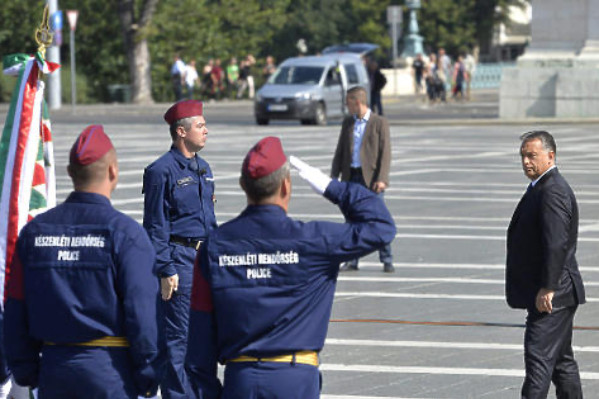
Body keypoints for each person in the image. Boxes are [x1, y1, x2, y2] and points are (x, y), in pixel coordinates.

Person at [185, 137, 396, 398]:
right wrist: (333, 188)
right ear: (287, 185)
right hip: (295, 379)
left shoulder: (214, 247)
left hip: (241, 380)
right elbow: (381, 227)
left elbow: (198, 341)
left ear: (243, 186)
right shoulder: (314, 240)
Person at [4, 125, 164, 398]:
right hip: (111, 373)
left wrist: (26, 371)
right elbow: (142, 313)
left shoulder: (34, 233)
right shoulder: (127, 235)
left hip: (54, 370)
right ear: (113, 171)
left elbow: (15, 309)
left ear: (70, 173)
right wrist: (148, 375)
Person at [143, 100, 217, 399]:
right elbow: (155, 225)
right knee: (177, 338)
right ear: (181, 132)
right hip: (180, 261)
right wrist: (165, 268)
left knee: (202, 337)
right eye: (200, 126)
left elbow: (210, 219)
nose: (206, 131)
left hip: (204, 260)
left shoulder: (203, 167)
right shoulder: (161, 171)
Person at [506, 130, 586, 399]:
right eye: (523, 156)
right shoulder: (542, 187)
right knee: (562, 364)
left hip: (554, 296)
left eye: (532, 155)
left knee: (538, 362)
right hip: (559, 293)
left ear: (550, 156)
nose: (526, 161)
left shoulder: (552, 191)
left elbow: (556, 244)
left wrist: (548, 288)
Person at [331, 86, 394, 273]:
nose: (346, 106)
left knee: (377, 219)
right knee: (351, 220)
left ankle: (387, 259)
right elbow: (340, 150)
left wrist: (382, 179)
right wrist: (334, 175)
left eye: (348, 102)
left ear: (357, 102)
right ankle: (352, 260)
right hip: (351, 176)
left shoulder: (379, 122)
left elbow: (386, 153)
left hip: (371, 179)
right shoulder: (347, 123)